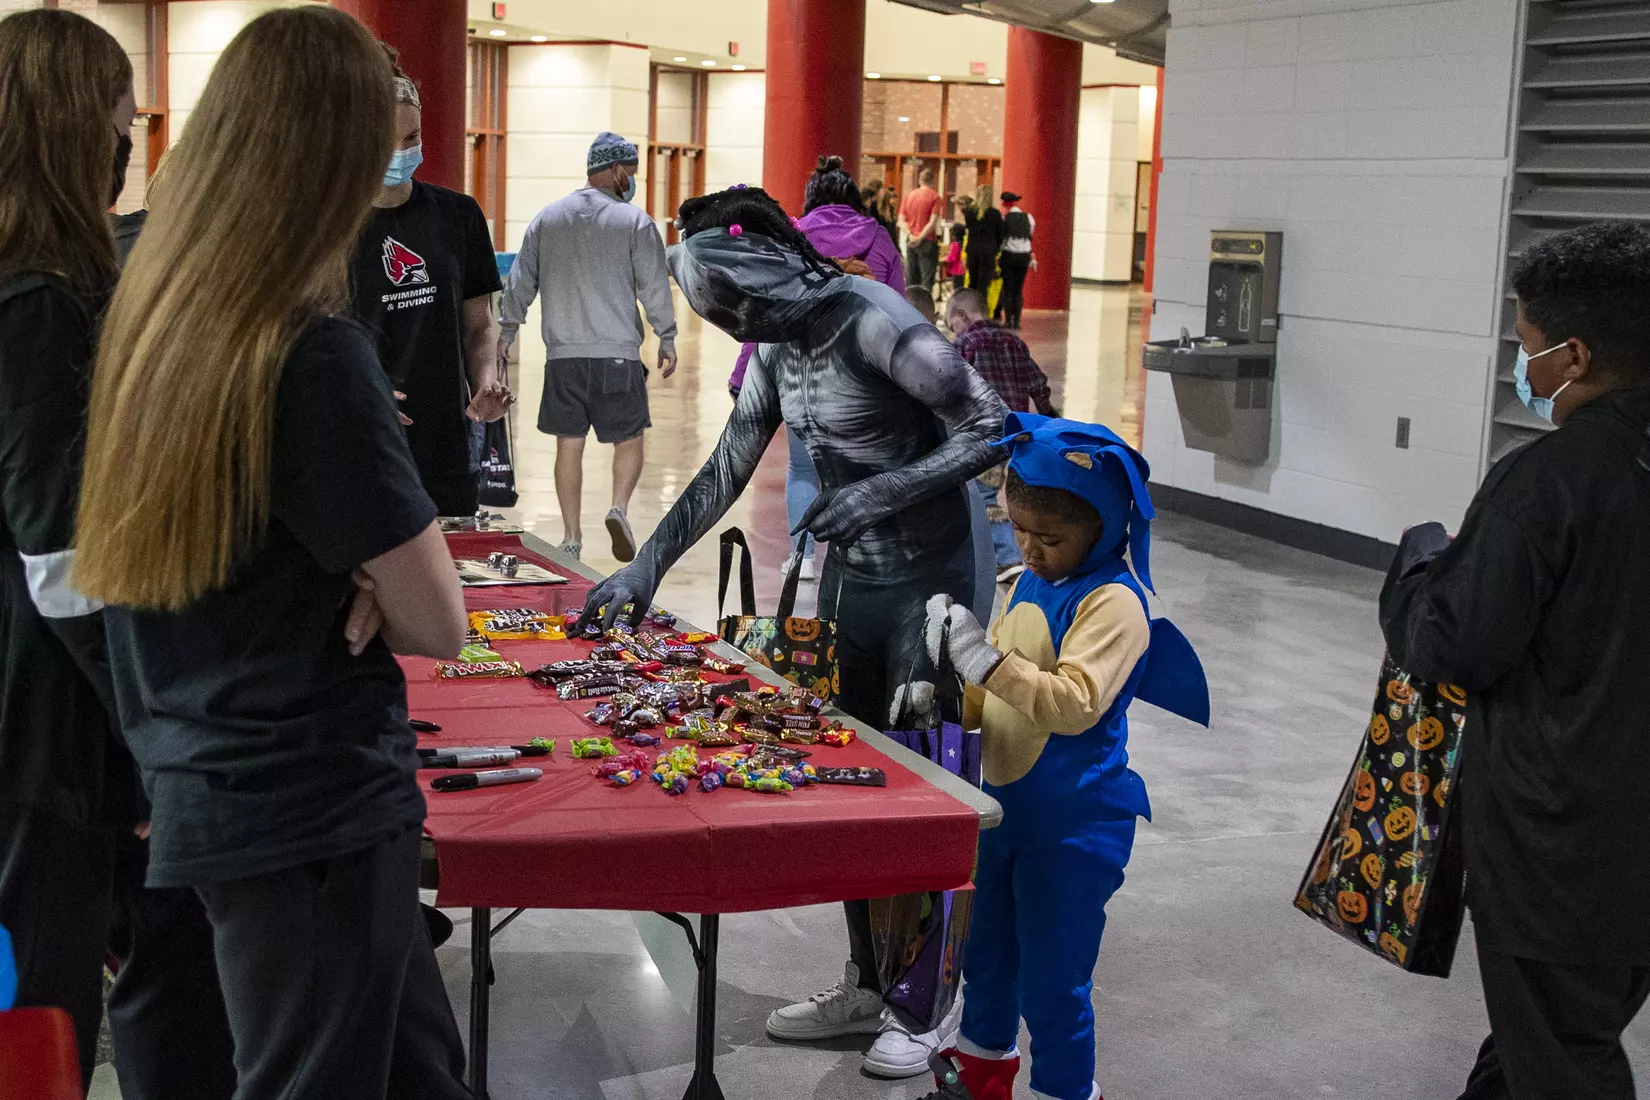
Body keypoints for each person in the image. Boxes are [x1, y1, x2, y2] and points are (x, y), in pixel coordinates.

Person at [74, 10, 472, 1098]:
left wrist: (355, 565)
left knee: (421, 1072)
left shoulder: (151, 314)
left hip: (204, 768)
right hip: (311, 804)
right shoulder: (308, 353)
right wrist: (366, 568)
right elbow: (440, 616)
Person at [578, 186, 1006, 1079]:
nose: (739, 329)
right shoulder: (779, 348)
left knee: (924, 781)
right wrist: (646, 566)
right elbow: (730, 460)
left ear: (781, 269)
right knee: (856, 780)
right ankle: (867, 980)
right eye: (721, 317)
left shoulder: (877, 321)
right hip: (852, 581)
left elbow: (993, 426)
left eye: (744, 308)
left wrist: (884, 490)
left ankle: (928, 999)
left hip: (932, 581)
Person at [1378, 220, 1650, 1100]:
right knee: (1555, 1028)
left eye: (1527, 348)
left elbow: (1454, 643)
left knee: (1562, 1051)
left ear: (1572, 355)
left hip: (1563, 832)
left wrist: (1421, 560)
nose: (1521, 366)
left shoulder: (1555, 479)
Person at [925, 414, 1207, 1100]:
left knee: (1053, 981)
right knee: (987, 961)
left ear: (1104, 526)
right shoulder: (1027, 580)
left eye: (1051, 538)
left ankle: (1064, 1090)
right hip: (1003, 816)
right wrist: (943, 687)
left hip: (1076, 827)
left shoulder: (1116, 604)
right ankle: (980, 1075)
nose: (1032, 548)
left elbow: (1074, 702)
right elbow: (995, 698)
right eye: (1019, 529)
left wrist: (985, 662)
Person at [0, 9, 139, 1086]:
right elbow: (58, 554)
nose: (126, 137)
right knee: (41, 1008)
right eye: (114, 113)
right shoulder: (39, 302)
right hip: (38, 726)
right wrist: (144, 715)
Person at [499, 130, 677, 562]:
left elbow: (520, 282)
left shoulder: (548, 218)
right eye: (630, 173)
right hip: (616, 355)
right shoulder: (634, 222)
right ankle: (618, 508)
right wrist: (666, 334)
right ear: (615, 170)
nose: (632, 181)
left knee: (569, 444)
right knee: (629, 439)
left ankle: (571, 537)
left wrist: (507, 330)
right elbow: (654, 285)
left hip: (564, 358)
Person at [350, 46, 511, 518]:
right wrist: (361, 390)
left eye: (412, 137)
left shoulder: (457, 215)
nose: (401, 153)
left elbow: (478, 325)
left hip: (444, 441)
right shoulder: (325, 227)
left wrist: (485, 379)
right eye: (386, 141)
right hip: (359, 442)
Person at [727, 156, 904, 583]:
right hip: (863, 373)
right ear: (854, 199)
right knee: (863, 468)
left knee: (804, 468)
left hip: (800, 370)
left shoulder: (793, 237)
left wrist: (743, 373)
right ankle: (863, 560)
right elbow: (898, 309)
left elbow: (764, 307)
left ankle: (802, 559)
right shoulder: (878, 238)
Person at [946, 288, 1057, 584]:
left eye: (951, 324)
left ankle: (1007, 558)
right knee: (1013, 493)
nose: (952, 330)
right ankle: (1025, 553)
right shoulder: (1014, 341)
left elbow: (949, 388)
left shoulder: (964, 344)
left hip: (985, 435)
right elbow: (1037, 383)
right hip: (1016, 434)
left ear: (962, 316)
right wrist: (1048, 416)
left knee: (984, 496)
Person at [900, 167, 944, 294]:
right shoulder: (935, 197)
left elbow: (901, 220)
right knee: (927, 280)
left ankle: (910, 309)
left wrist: (911, 235)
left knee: (912, 279)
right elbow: (932, 221)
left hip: (910, 241)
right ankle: (925, 311)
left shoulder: (909, 196)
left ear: (919, 180)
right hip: (927, 241)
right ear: (933, 181)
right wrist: (920, 237)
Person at [997, 191, 1035, 329]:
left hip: (1009, 255)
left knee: (1008, 289)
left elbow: (1001, 239)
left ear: (1005, 205)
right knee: (1018, 289)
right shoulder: (1028, 218)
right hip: (1024, 256)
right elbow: (1030, 234)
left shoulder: (1005, 219)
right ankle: (1017, 321)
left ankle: (1007, 320)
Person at [959, 185, 1003, 299]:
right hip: (988, 252)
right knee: (983, 284)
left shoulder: (970, 212)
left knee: (972, 282)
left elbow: (969, 230)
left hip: (973, 251)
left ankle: (970, 309)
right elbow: (1000, 235)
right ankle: (981, 311)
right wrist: (996, 249)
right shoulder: (995, 214)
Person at [942, 222, 967, 303]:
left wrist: (946, 257)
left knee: (957, 290)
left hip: (957, 271)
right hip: (964, 271)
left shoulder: (955, 244)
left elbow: (951, 258)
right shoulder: (965, 244)